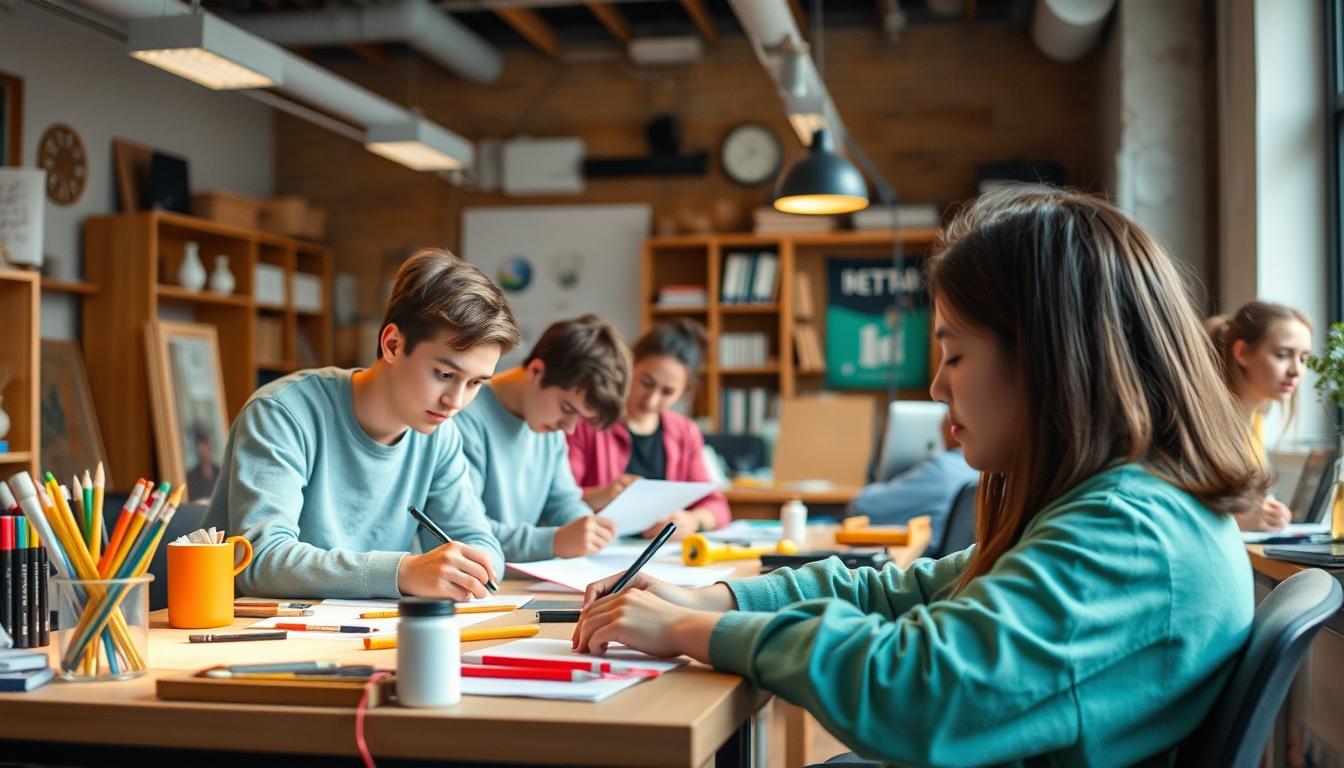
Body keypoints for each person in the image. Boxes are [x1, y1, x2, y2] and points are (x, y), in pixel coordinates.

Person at [571, 187, 1264, 766]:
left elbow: (920, 687)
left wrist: (697, 632)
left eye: (954, 355)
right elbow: (903, 590)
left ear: (1048, 358)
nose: (936, 387)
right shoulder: (1121, 507)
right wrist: (718, 598)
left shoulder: (1128, 531)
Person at [204, 248, 517, 599]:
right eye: (444, 374)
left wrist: (476, 565)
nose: (456, 401)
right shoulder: (282, 412)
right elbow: (259, 561)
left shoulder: (439, 435)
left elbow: (477, 540)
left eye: (476, 383)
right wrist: (401, 572)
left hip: (364, 635)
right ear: (393, 344)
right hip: (252, 637)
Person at [455, 314, 631, 562]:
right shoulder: (464, 417)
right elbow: (461, 533)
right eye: (568, 408)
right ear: (537, 371)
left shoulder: (548, 426)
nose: (569, 429)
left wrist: (587, 528)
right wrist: (554, 542)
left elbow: (562, 501)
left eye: (580, 417)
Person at [567, 319, 730, 540]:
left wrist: (692, 521)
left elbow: (716, 506)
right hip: (596, 549)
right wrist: (603, 494)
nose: (652, 400)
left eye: (667, 392)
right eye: (646, 382)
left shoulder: (684, 432)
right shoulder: (587, 422)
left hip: (659, 553)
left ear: (683, 392)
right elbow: (558, 500)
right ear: (630, 365)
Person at [1206, 302, 1314, 532]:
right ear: (1242, 353)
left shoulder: (1255, 421)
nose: (1296, 371)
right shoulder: (1207, 426)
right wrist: (1237, 521)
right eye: (1283, 355)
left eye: (1303, 358)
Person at [846, 413, 979, 542]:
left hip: (924, 559)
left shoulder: (941, 469)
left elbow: (864, 507)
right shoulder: (981, 471)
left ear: (953, 427)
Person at [184, 423, 221, 502]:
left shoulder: (220, 472)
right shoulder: (191, 477)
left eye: (207, 443)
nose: (206, 448)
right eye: (202, 444)